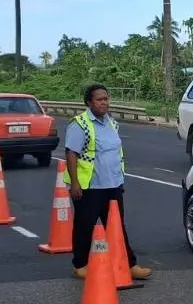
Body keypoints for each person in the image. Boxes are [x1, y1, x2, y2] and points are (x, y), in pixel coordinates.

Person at [63, 83, 152, 281]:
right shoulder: (80, 124)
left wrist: (119, 182)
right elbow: (71, 154)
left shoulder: (111, 123)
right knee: (84, 226)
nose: (104, 103)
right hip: (90, 187)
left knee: (117, 226)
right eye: (99, 99)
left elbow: (115, 154)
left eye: (106, 99)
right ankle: (80, 265)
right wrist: (75, 184)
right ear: (89, 102)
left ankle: (128, 264)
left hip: (112, 185)